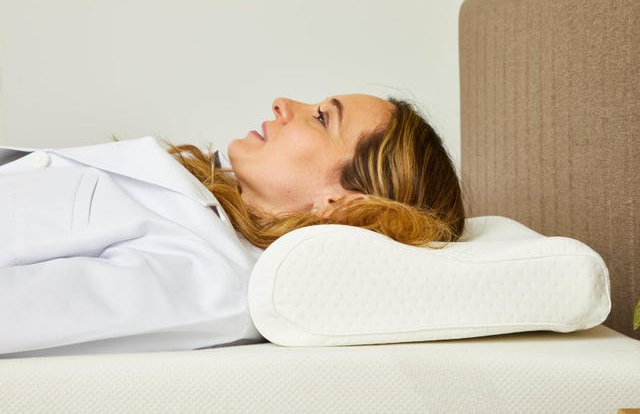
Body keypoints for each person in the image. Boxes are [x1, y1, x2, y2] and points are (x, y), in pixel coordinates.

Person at [0, 94, 464, 357]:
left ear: (339, 203)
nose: (284, 103)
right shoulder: (201, 204)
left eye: (322, 119)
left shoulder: (210, 275)